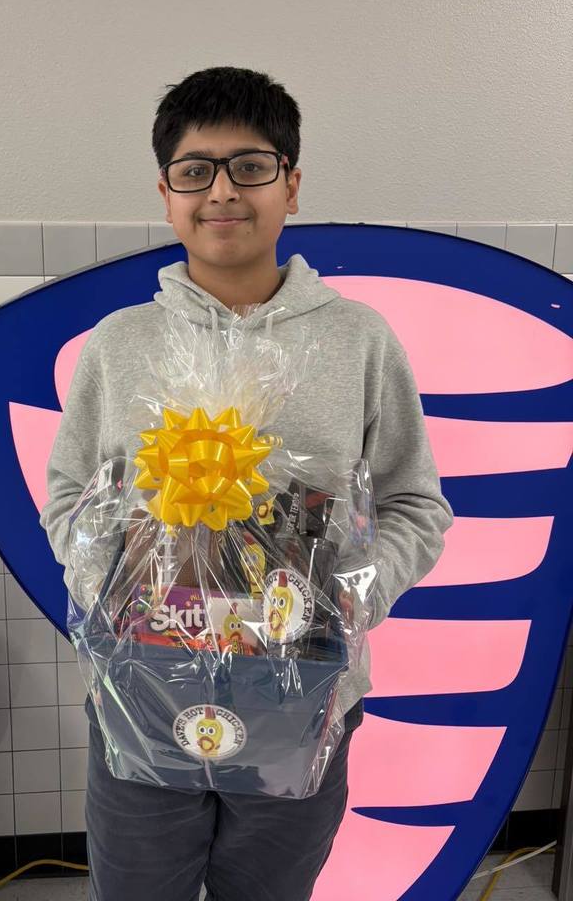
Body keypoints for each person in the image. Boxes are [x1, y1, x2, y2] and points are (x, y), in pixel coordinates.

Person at [40, 65, 454, 901]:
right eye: (196, 170)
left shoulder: (359, 341)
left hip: (308, 701)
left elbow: (416, 502)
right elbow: (68, 499)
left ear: (290, 186)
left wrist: (351, 599)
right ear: (166, 193)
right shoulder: (120, 344)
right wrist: (117, 595)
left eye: (251, 167)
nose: (223, 191)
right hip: (142, 692)